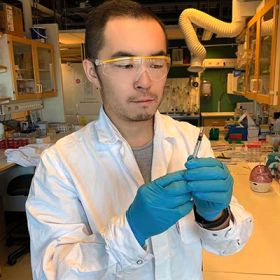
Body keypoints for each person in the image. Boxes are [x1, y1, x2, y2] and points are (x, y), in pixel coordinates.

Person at [26, 1, 253, 279]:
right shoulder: (60, 164)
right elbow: (51, 271)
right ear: (91, 72)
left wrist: (216, 217)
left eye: (156, 63)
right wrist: (131, 231)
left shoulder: (191, 140)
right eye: (125, 64)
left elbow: (231, 243)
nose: (145, 81)